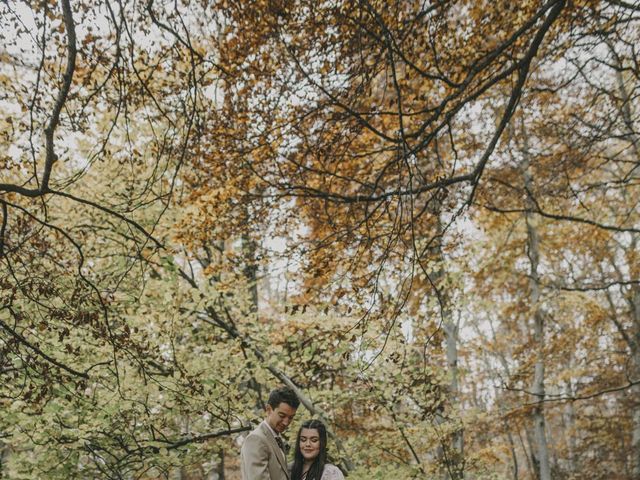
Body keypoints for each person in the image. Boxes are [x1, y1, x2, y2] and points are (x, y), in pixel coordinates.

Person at [241, 386, 300, 480]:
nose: (286, 422)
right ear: (268, 410)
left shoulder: (275, 437)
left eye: (290, 417)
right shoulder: (256, 439)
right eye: (282, 415)